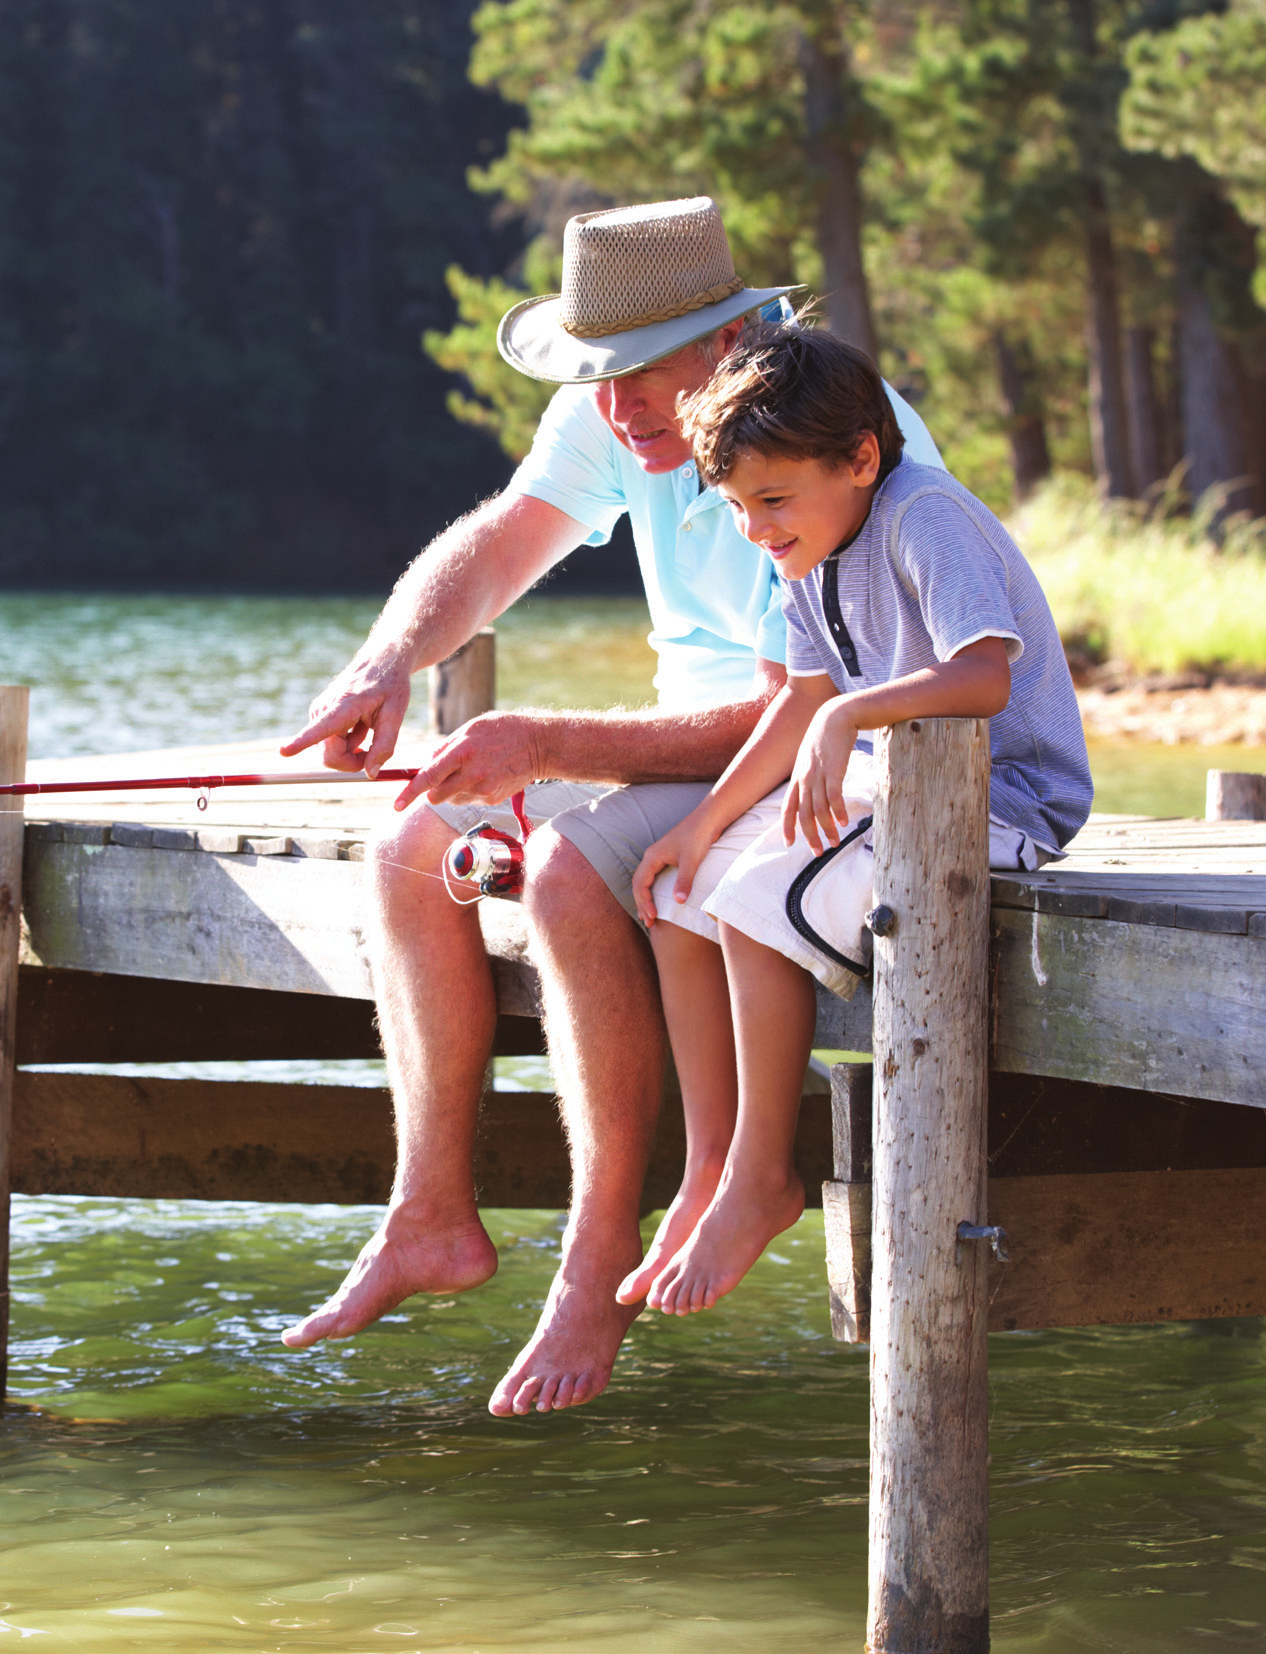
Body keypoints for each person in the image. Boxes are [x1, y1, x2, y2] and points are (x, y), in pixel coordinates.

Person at [276, 196, 945, 1415]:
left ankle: (593, 1268)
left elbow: (807, 704)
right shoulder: (618, 414)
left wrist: (545, 742)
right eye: (600, 374)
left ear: (728, 341)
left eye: (639, 373)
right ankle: (429, 1213)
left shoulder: (825, 435)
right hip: (689, 752)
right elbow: (492, 547)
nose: (617, 405)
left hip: (820, 766)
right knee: (409, 854)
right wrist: (385, 661)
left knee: (570, 873)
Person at [623, 322, 1091, 1316]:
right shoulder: (809, 545)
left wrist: (851, 711)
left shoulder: (924, 517)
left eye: (773, 501)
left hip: (1002, 802)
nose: (757, 529)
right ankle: (720, 1159)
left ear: (860, 458)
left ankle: (762, 1174)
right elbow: (798, 697)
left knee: (754, 902)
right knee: (682, 889)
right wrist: (705, 821)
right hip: (903, 792)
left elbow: (983, 673)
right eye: (739, 507)